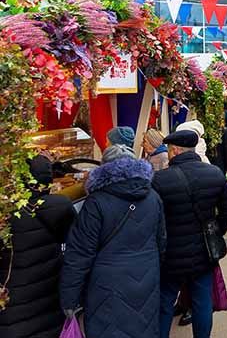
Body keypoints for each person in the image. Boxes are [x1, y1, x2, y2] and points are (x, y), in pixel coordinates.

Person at [61, 145, 165, 338]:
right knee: (144, 327)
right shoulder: (153, 197)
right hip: (147, 274)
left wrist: (69, 298)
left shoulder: (95, 202)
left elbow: (79, 255)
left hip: (106, 285)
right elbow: (161, 240)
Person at [151, 131, 227, 338]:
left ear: (175, 150)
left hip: (170, 254)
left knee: (165, 302)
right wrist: (214, 233)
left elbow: (153, 217)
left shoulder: (159, 180)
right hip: (203, 252)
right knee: (202, 301)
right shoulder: (214, 173)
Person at [0, 155, 75, 338]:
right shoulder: (60, 206)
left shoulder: (6, 212)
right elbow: (72, 242)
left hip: (11, 308)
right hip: (48, 300)